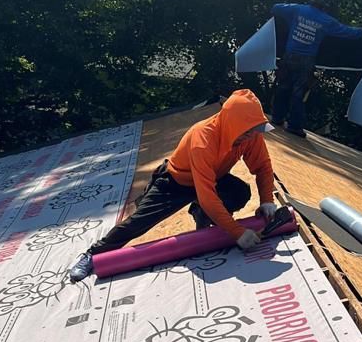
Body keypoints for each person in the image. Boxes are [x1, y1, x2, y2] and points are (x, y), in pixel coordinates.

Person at [69, 88, 277, 282]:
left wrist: (267, 200)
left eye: (254, 130)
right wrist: (236, 232)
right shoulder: (203, 138)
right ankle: (92, 255)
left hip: (213, 177)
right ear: (233, 124)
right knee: (138, 222)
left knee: (239, 192)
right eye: (248, 130)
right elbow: (207, 194)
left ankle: (202, 213)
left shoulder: (250, 136)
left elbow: (263, 167)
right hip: (176, 182)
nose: (252, 135)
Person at [271, 0, 362, 137]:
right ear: (327, 4)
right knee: (298, 94)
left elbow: (276, 8)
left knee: (283, 87)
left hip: (289, 57)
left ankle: (277, 118)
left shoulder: (297, 10)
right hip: (306, 62)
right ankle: (294, 126)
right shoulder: (327, 21)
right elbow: (348, 32)